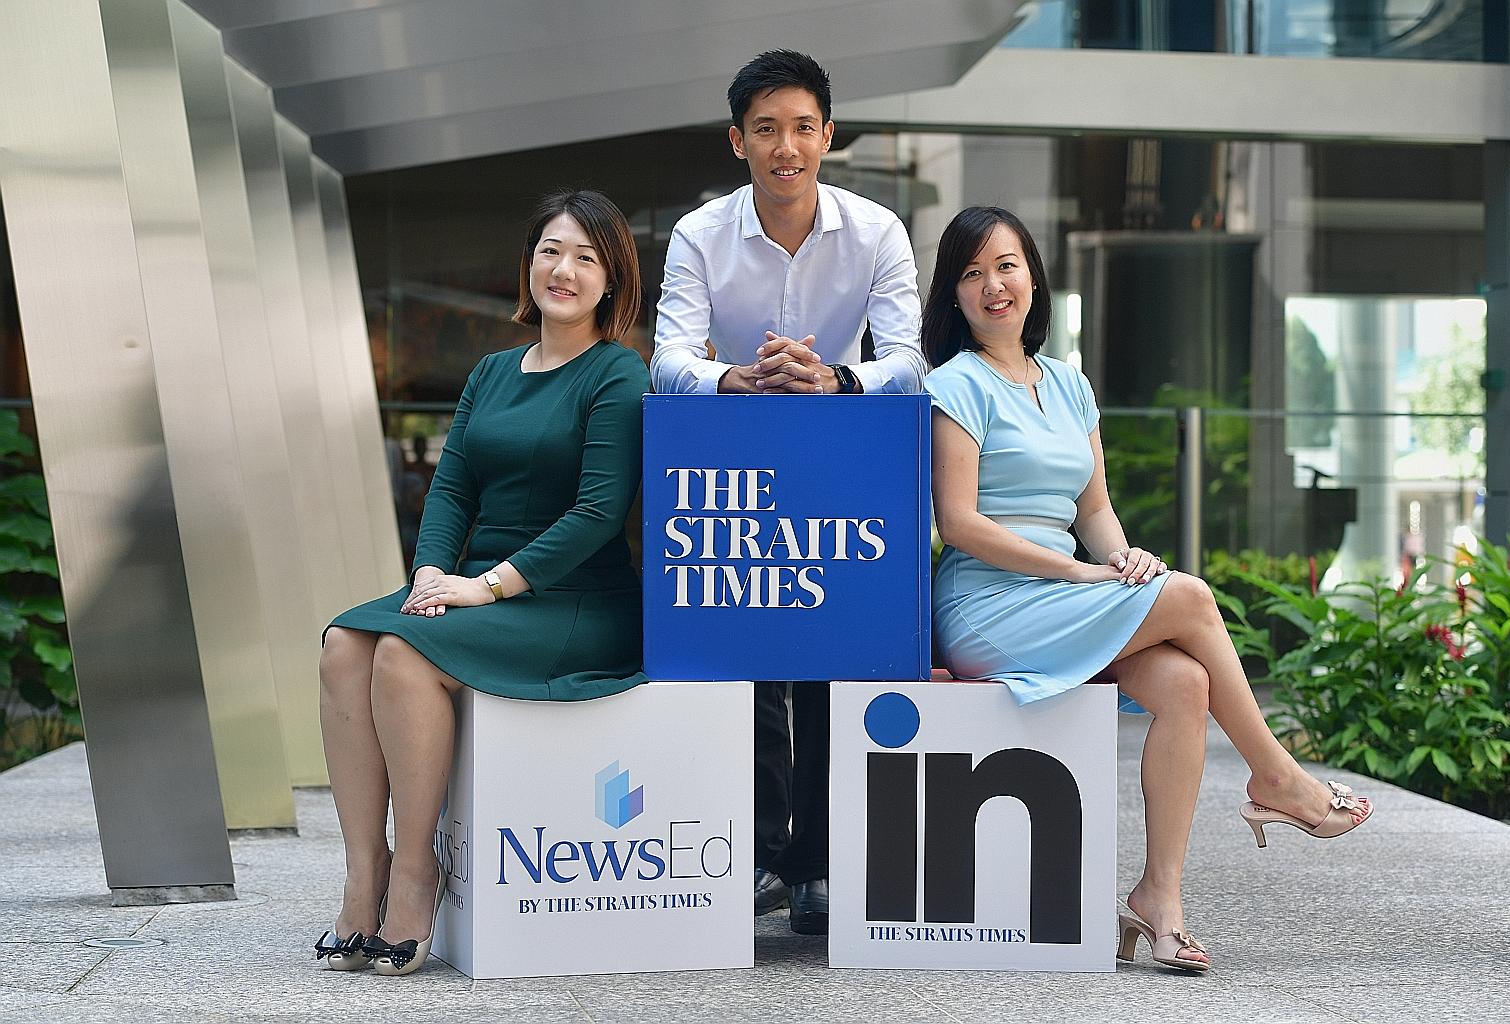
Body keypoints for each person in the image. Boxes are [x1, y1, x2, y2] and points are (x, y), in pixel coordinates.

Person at [923, 206, 1373, 973]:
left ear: (1033, 274)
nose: (993, 286)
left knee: (1186, 681)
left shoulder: (1069, 384)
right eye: (972, 273)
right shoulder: (954, 385)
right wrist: (1078, 570)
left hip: (1067, 597)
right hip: (989, 604)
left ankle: (1158, 900)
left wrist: (1122, 558)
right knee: (1193, 598)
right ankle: (1276, 777)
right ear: (954, 295)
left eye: (1006, 265)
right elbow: (958, 524)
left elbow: (1092, 508)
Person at [314, 189, 649, 976]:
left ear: (612, 279)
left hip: (573, 599)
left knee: (402, 652)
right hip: (475, 585)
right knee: (342, 643)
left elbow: (600, 513)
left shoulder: (617, 373)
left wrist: (487, 586)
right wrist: (431, 569)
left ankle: (416, 873)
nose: (562, 270)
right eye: (550, 251)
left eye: (585, 257)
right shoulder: (493, 371)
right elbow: (452, 488)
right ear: (527, 262)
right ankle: (363, 875)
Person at [651, 49, 925, 935]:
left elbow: (912, 361)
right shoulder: (699, 235)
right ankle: (763, 851)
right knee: (754, 657)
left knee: (831, 659)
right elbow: (667, 361)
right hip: (733, 472)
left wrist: (835, 380)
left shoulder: (879, 230)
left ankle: (817, 867)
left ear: (828, 136)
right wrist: (734, 379)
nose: (786, 146)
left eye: (803, 127)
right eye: (766, 129)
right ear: (738, 141)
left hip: (844, 470)